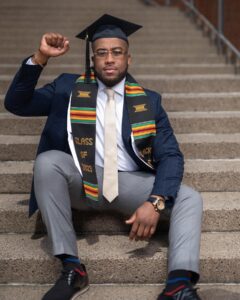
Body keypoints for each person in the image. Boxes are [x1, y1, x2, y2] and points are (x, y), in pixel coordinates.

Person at [4, 14, 203, 300]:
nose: (109, 59)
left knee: (189, 198)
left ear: (128, 59)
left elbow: (171, 155)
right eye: (102, 53)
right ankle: (72, 268)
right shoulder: (67, 89)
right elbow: (16, 104)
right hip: (82, 182)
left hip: (127, 183)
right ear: (93, 59)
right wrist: (40, 58)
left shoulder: (148, 100)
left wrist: (156, 201)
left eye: (117, 52)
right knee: (49, 161)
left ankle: (178, 285)